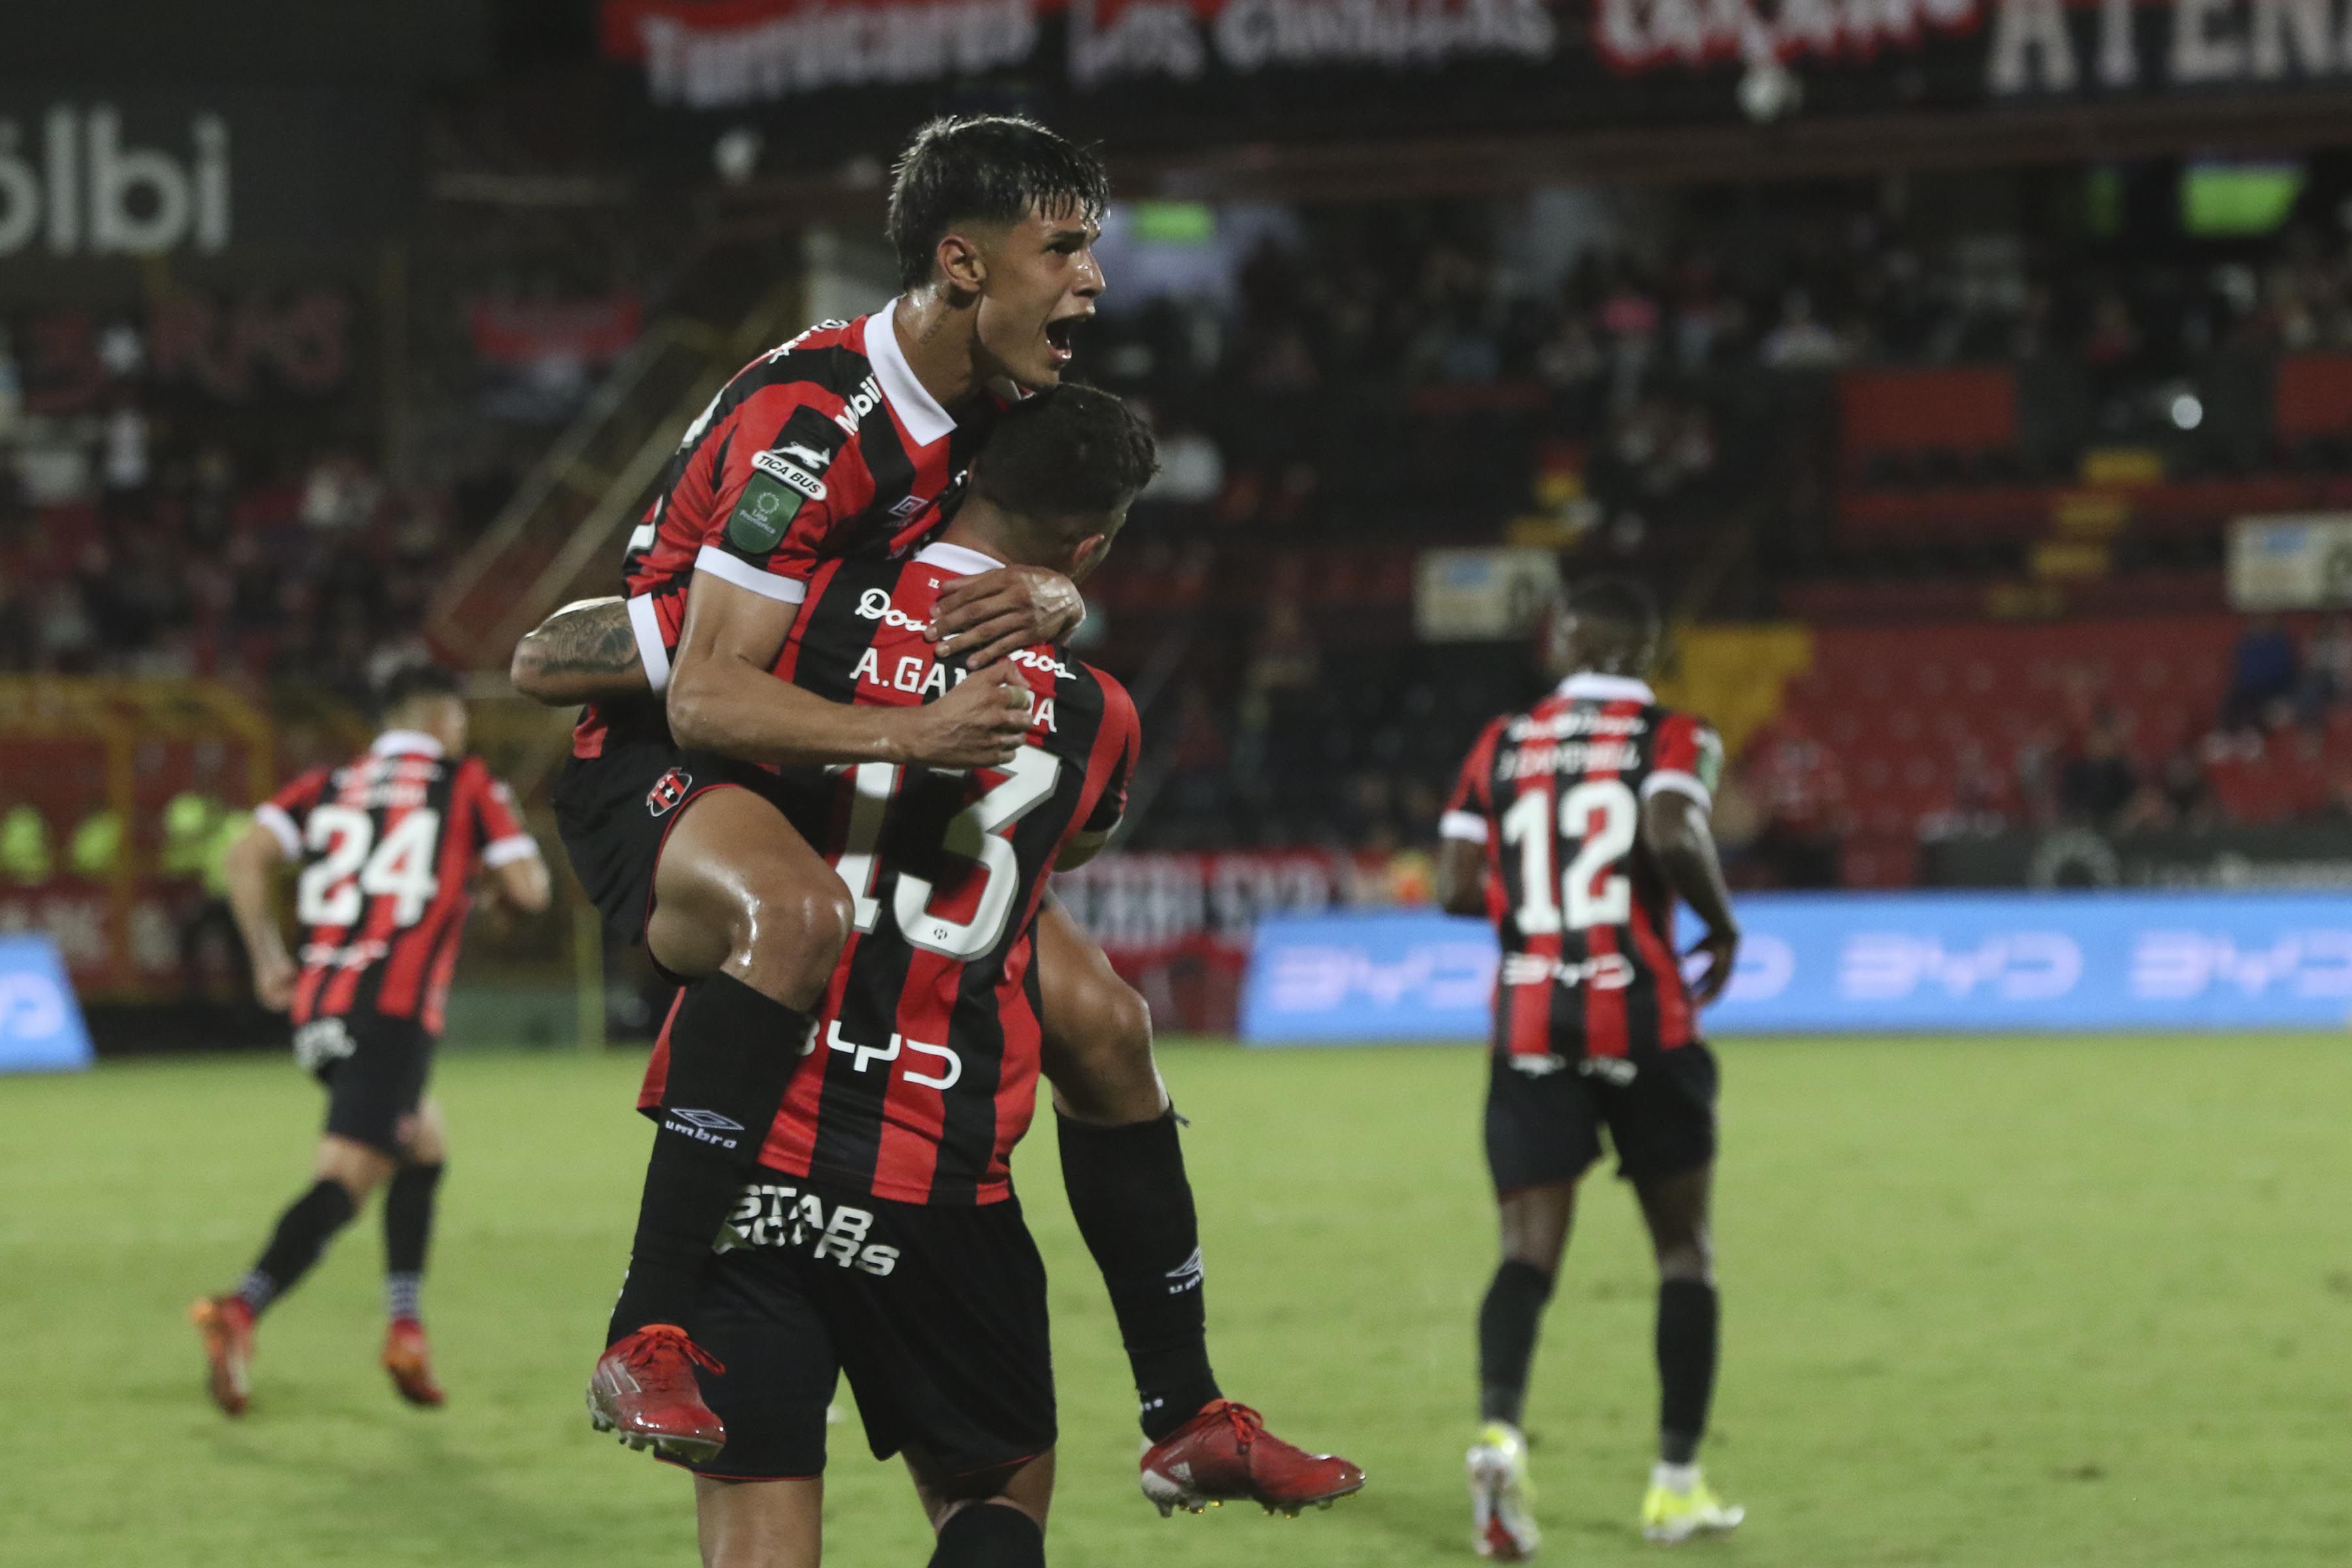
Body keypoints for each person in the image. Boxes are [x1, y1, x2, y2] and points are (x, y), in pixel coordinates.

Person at [515, 119, 1353, 1509]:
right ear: (964, 264)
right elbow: (689, 690)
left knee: (1102, 1022)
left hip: (833, 711)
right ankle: (645, 1329)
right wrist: (926, 724)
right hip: (662, 752)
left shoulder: (999, 408)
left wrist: (1059, 600)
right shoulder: (816, 424)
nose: (1093, 282)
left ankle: (1187, 1410)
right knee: (794, 917)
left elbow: (1049, 528)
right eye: (1065, 248)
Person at [624, 387, 1358, 1568]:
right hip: (941, 1171)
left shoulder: (803, 617)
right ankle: (1184, 1405)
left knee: (759, 1540)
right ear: (1089, 546)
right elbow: (1071, 841)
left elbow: (673, 684)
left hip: (754, 1152)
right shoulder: (1096, 713)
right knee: (995, 1501)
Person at [1436, 578, 1744, 1556]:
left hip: (1529, 1019)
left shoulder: (1505, 741)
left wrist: (1538, 916)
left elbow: (1453, 886)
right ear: (1646, 653)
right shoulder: (1674, 735)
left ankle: (1497, 1431)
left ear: (1563, 645)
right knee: (1683, 1251)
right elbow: (1666, 828)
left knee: (1526, 1251)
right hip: (1643, 1018)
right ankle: (1674, 1486)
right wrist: (1723, 922)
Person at [190, 663, 551, 1416]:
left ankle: (405, 1329)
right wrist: (490, 885)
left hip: (318, 1006)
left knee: (423, 1145)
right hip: (391, 1013)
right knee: (347, 1181)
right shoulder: (467, 783)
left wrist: (267, 961)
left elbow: (243, 854)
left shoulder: (330, 783)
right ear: (443, 717)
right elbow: (530, 890)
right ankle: (242, 1308)